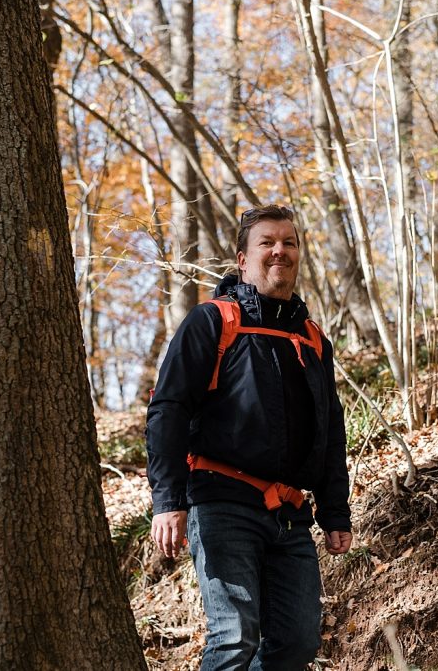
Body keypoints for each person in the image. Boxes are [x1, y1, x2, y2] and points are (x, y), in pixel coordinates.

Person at [146, 204, 353, 670]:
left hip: (290, 514)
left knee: (297, 643)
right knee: (234, 638)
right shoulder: (213, 321)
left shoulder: (314, 339)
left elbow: (330, 429)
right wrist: (167, 499)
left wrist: (334, 510)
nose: (280, 250)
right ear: (243, 259)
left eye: (289, 242)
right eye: (267, 242)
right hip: (221, 504)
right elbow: (168, 409)